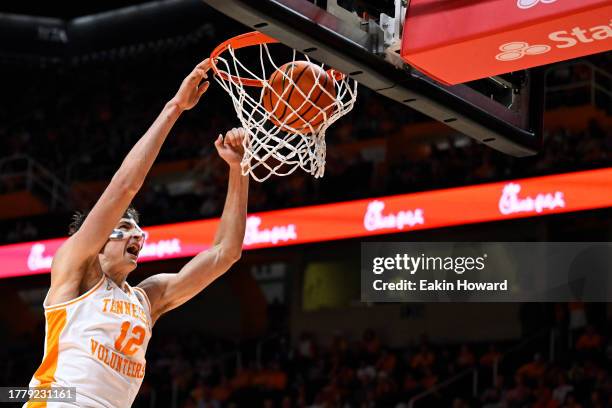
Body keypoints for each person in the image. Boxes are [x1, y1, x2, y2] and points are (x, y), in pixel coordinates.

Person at [25, 59, 249, 407]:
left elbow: (226, 253)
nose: (139, 236)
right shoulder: (76, 270)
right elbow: (125, 187)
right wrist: (175, 107)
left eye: (139, 230)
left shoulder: (148, 297)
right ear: (96, 242)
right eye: (125, 229)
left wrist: (239, 168)